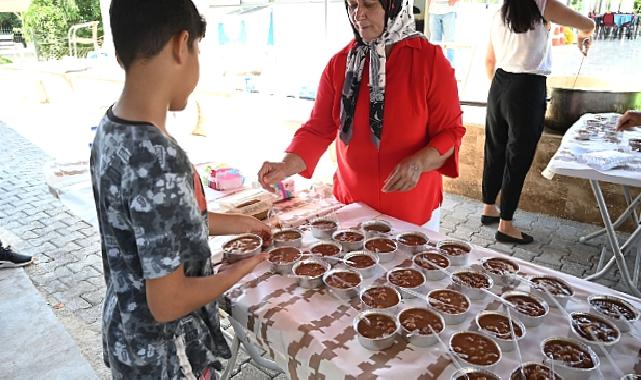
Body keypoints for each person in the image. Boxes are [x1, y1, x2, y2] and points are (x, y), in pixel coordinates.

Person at [91, 1, 270, 378]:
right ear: (180, 44)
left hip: (128, 336)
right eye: (198, 50)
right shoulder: (157, 157)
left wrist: (243, 223)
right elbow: (168, 302)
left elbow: (163, 228)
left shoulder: (112, 128)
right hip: (167, 356)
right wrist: (244, 268)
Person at [258, 0, 465, 229]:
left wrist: (418, 162)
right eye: (353, 5)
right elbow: (318, 129)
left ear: (394, 6)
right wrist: (286, 165)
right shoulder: (340, 64)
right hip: (351, 209)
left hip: (412, 213)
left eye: (369, 4)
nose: (358, 14)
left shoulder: (429, 61)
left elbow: (450, 132)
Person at [482, 0, 595, 244]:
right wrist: (583, 33)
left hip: (499, 84)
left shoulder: (500, 11)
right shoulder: (543, 5)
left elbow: (489, 60)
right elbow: (588, 23)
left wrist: (502, 91)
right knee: (518, 157)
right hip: (527, 87)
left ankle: (489, 208)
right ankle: (506, 226)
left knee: (495, 149)